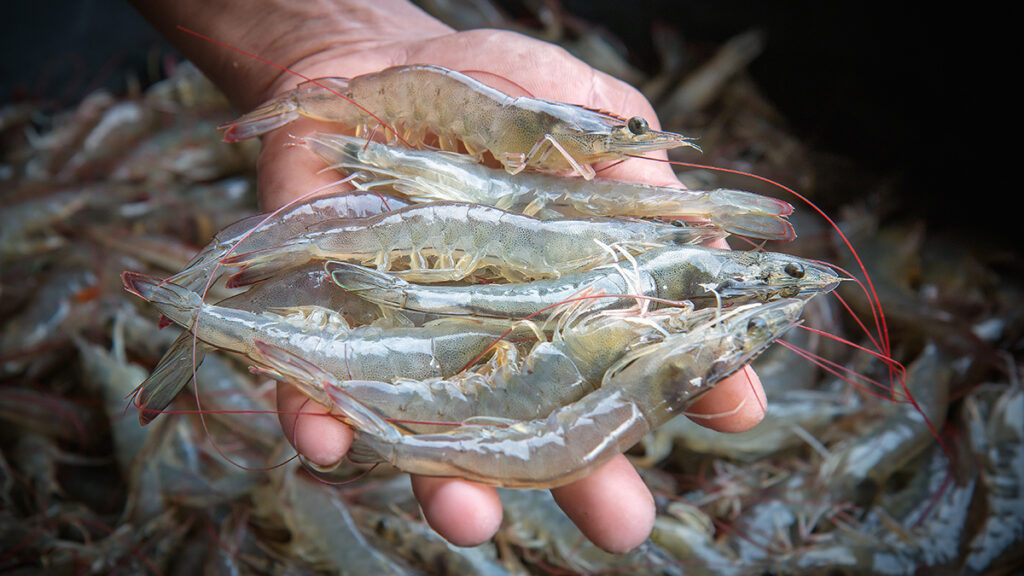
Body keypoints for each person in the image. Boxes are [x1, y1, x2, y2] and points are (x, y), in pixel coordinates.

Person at [130, 0, 769, 553]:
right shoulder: (520, 149)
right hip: (416, 201)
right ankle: (214, 297)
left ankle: (218, 308)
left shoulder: (554, 202)